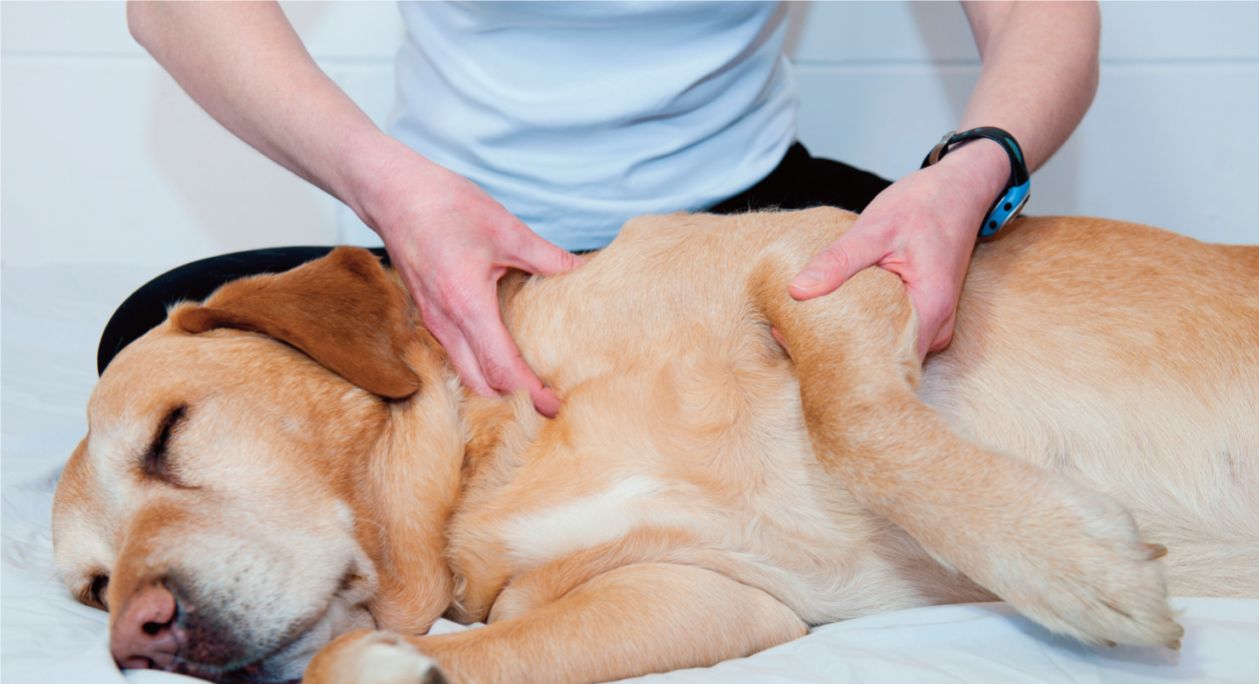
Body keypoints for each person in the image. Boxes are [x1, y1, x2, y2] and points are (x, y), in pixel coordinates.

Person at [112, 0, 1101, 417]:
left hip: (740, 233)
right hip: (451, 247)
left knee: (1033, 342)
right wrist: (388, 186)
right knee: (154, 348)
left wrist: (971, 169)